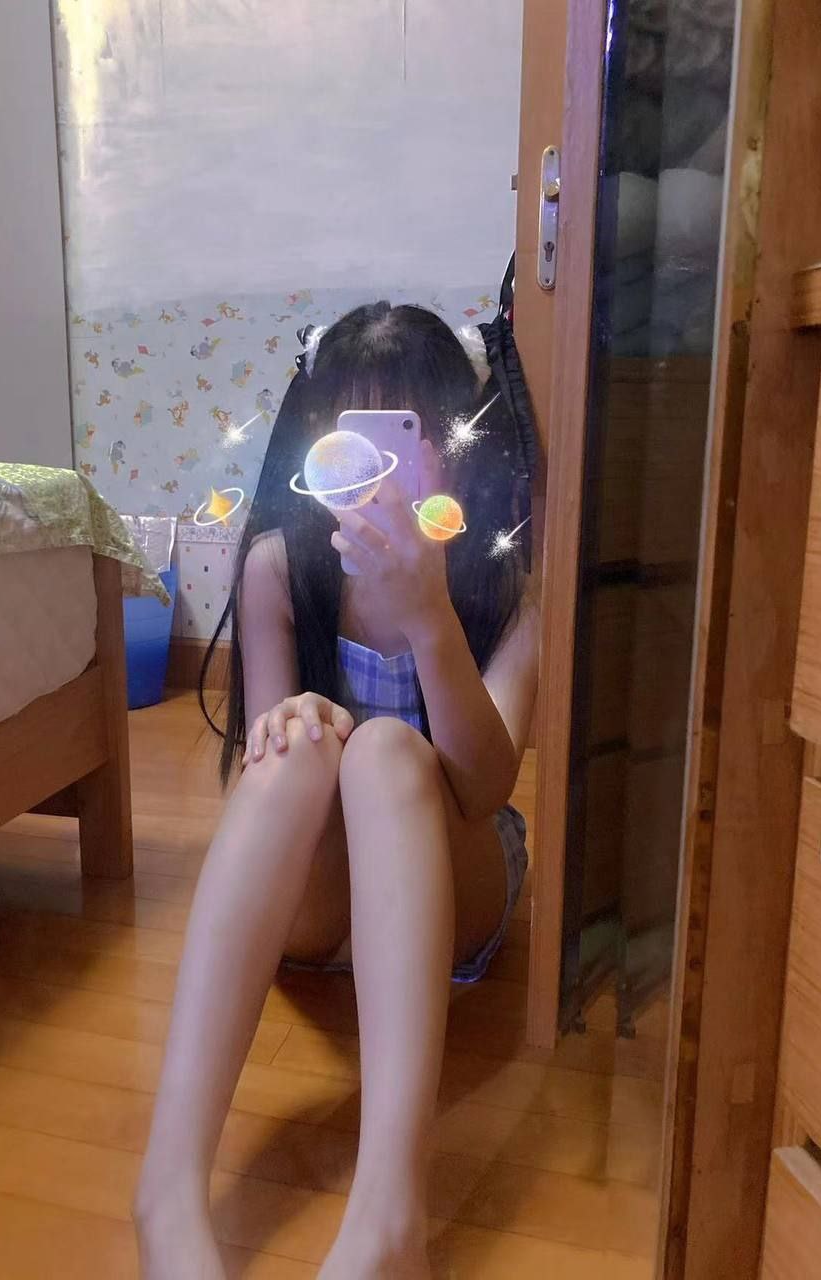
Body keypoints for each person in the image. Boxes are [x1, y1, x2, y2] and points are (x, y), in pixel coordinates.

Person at [134, 302, 541, 1279]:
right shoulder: (280, 566)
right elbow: (266, 765)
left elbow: (484, 785)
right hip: (318, 907)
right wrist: (296, 719)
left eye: (407, 442)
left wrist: (429, 618)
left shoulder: (504, 585)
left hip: (451, 884)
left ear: (455, 453)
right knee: (300, 747)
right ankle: (166, 1192)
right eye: (353, 445)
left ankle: (389, 1216)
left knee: (388, 753)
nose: (379, 478)